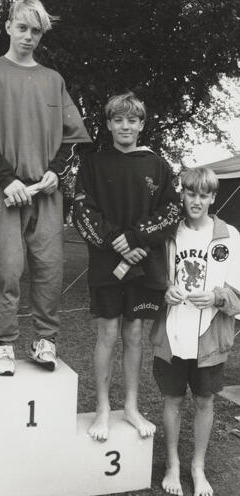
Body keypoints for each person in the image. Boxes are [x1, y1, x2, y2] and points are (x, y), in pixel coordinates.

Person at [0, 0, 91, 375]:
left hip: (46, 191)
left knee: (50, 267)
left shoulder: (54, 80)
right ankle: (3, 345)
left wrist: (55, 171)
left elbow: (72, 136)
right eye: (22, 28)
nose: (28, 36)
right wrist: (8, 180)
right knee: (6, 268)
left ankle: (45, 341)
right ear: (8, 27)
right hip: (7, 190)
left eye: (35, 31)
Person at [73, 92, 180, 441]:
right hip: (106, 264)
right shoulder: (92, 163)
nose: (125, 126)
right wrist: (113, 242)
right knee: (107, 334)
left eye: (132, 120)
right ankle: (103, 407)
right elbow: (81, 211)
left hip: (143, 263)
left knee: (133, 335)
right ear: (108, 124)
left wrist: (136, 239)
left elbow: (170, 212)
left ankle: (131, 406)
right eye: (118, 120)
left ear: (141, 124)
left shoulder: (159, 166)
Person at [151, 167, 240, 496]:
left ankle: (197, 466)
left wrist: (216, 296)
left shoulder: (230, 237)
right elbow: (153, 278)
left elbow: (237, 294)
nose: (196, 201)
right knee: (172, 399)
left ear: (213, 198)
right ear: (182, 194)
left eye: (204, 195)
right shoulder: (168, 233)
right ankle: (173, 463)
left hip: (210, 337)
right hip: (172, 333)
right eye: (191, 194)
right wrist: (164, 289)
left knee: (204, 401)